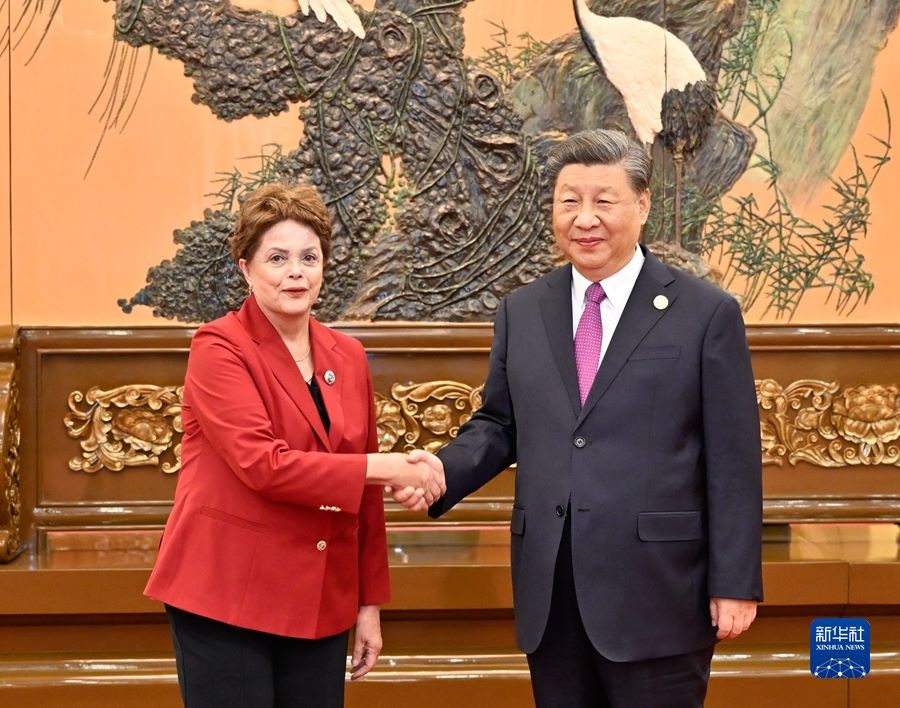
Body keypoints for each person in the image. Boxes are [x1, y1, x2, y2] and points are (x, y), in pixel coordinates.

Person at [422, 129, 762, 707]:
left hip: (658, 590)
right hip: (552, 591)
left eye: (603, 201)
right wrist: (437, 471)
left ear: (643, 204)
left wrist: (735, 583)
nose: (585, 219)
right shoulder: (522, 311)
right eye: (568, 201)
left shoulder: (705, 313)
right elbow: (499, 425)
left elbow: (732, 458)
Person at [144, 182, 444, 708]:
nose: (296, 271)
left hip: (318, 597)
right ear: (246, 269)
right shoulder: (218, 347)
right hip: (227, 595)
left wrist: (368, 602)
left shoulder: (346, 355)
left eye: (309, 257)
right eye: (277, 258)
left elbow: (364, 493)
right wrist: (392, 465)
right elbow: (267, 467)